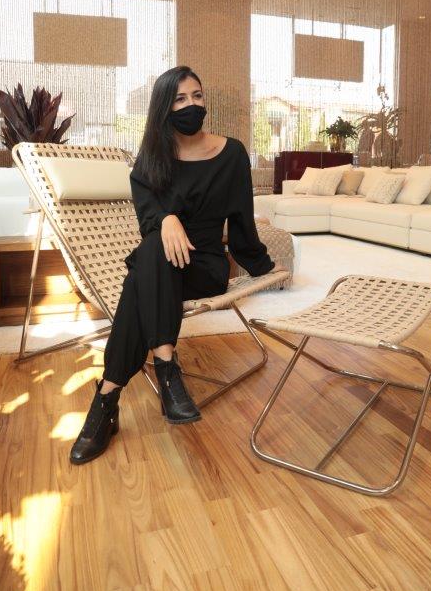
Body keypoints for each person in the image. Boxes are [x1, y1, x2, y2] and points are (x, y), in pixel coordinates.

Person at [70, 65, 281, 464]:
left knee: (142, 274)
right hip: (162, 265)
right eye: (180, 99)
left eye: (197, 96)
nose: (191, 105)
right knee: (154, 250)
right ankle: (164, 369)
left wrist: (260, 263)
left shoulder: (232, 153)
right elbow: (148, 220)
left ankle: (105, 403)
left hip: (204, 267)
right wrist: (166, 219)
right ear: (164, 108)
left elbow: (242, 219)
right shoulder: (151, 160)